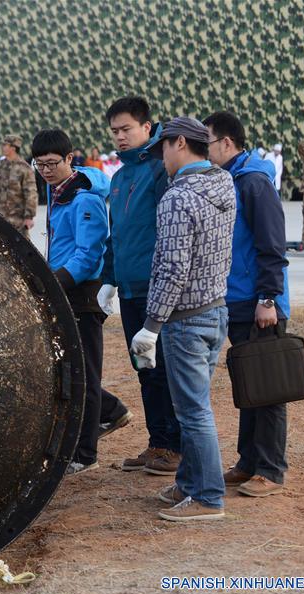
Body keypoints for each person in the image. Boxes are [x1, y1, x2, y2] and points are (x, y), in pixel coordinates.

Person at [134, 116, 235, 522]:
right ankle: (190, 483)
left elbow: (172, 268)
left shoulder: (177, 198)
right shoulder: (221, 184)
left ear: (178, 144)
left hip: (185, 320)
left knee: (193, 412)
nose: (161, 156)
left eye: (162, 147)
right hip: (214, 310)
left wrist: (152, 325)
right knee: (194, 408)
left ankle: (208, 497)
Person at [204, 111, 291, 499]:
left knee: (268, 386)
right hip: (236, 299)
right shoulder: (230, 180)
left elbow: (272, 245)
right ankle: (247, 461)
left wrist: (268, 298)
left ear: (226, 143)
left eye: (206, 143)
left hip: (260, 301)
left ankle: (271, 468)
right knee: (247, 383)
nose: (202, 152)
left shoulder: (254, 182)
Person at [32, 128, 128, 475]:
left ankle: (85, 455)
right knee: (72, 369)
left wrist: (56, 281)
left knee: (84, 374)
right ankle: (112, 411)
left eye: (52, 163)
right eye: (40, 164)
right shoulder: (57, 192)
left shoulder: (84, 198)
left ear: (70, 159)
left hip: (82, 292)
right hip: (65, 287)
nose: (45, 170)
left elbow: (89, 252)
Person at [100, 96, 181, 475]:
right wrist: (109, 280)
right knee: (144, 368)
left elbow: (169, 232)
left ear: (147, 127)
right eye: (115, 131)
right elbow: (118, 236)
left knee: (164, 369)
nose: (120, 137)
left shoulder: (159, 171)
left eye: (126, 129)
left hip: (157, 289)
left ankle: (175, 446)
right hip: (130, 290)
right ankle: (157, 442)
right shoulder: (119, 178)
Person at [0, 135, 37, 237]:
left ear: (13, 148)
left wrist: (29, 217)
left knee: (20, 250)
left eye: (5, 145)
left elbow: (31, 194)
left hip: (18, 221)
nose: (2, 147)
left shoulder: (25, 168)